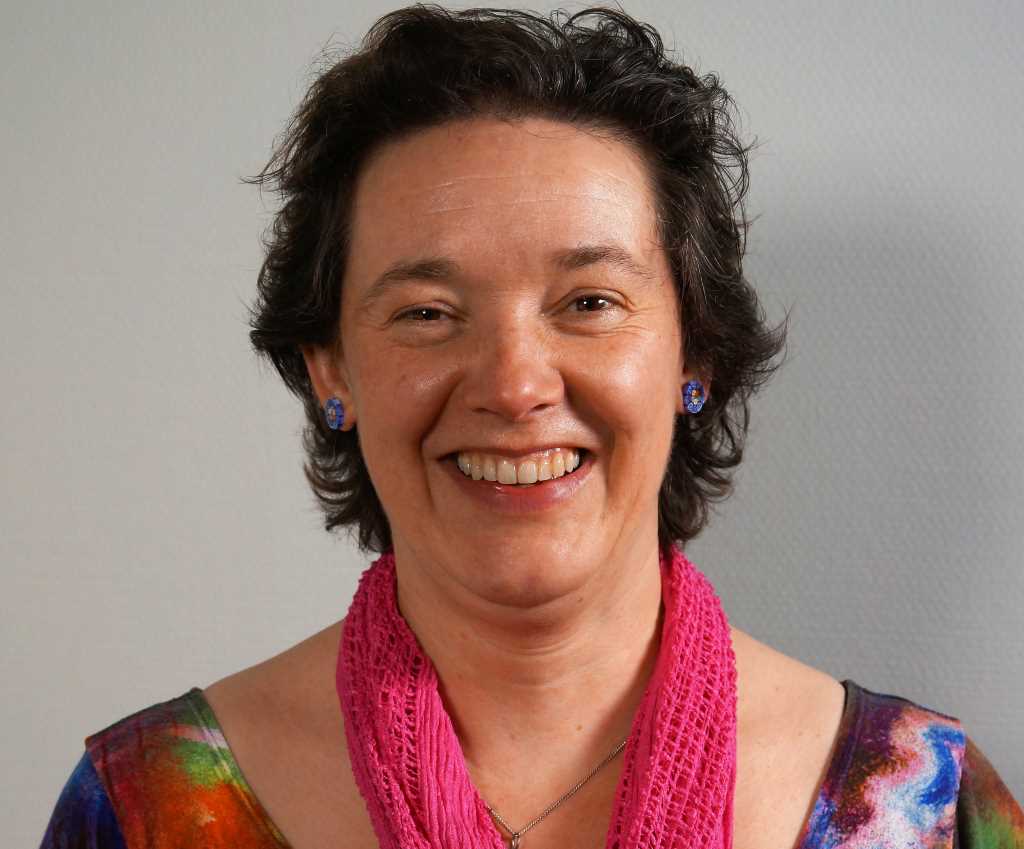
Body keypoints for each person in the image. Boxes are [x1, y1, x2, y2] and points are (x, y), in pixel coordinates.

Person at [40, 5, 1023, 849]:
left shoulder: (926, 807)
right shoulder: (143, 809)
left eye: (589, 302)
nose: (514, 386)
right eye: (428, 312)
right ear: (330, 369)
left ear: (693, 355)